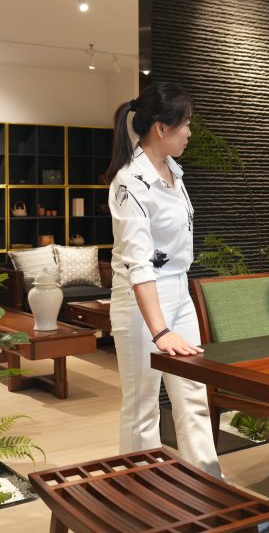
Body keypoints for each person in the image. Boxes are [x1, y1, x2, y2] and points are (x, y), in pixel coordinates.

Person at [105, 82, 220, 477]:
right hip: (140, 303)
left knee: (193, 396)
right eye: (185, 124)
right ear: (161, 128)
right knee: (142, 406)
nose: (189, 132)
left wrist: (173, 320)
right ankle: (142, 494)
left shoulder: (174, 172)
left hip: (179, 293)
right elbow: (138, 264)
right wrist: (160, 331)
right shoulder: (129, 182)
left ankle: (208, 488)